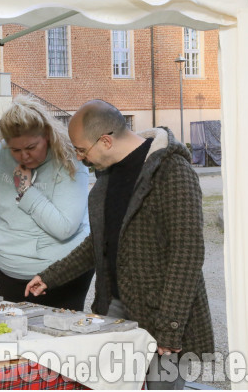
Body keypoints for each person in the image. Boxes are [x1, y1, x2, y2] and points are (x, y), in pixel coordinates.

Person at [25, 100, 214, 390]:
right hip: (114, 307)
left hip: (162, 315)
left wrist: (170, 328)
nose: (80, 157)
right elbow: (98, 243)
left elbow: (187, 254)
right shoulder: (107, 175)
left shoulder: (172, 170)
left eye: (82, 150)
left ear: (106, 141)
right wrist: (50, 276)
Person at [0, 94, 93, 310]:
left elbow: (64, 228)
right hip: (9, 270)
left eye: (31, 147)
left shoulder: (69, 158)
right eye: (15, 150)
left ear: (47, 135)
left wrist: (26, 191)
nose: (23, 157)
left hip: (61, 272)